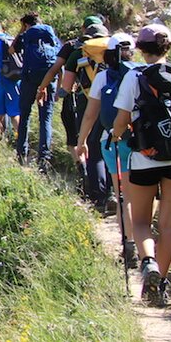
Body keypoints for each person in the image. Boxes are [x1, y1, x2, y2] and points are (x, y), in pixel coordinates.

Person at [111, 24, 171, 307]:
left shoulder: (134, 76)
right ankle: (160, 285)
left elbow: (121, 119)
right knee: (169, 224)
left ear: (140, 49)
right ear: (169, 47)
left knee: (140, 220)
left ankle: (148, 262)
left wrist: (116, 135)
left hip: (144, 158)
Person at [75, 32, 140, 266]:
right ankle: (145, 241)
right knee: (143, 194)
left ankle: (129, 245)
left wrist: (81, 142)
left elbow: (90, 115)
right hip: (140, 142)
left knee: (124, 196)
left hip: (112, 141)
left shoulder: (103, 77)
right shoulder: (141, 73)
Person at [60, 22, 113, 210]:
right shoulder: (116, 49)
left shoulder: (79, 52)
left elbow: (66, 86)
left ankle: (98, 197)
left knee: (93, 146)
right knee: (111, 143)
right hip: (115, 102)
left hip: (88, 101)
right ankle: (114, 192)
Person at [13, 12, 61, 171]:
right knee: (45, 118)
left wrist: (21, 32)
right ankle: (44, 159)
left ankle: (21, 154)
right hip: (49, 78)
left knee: (25, 114)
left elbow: (12, 50)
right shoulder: (50, 35)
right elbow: (60, 60)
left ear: (26, 24)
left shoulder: (26, 35)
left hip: (29, 78)